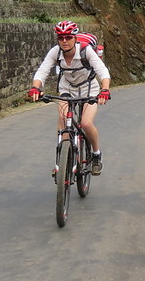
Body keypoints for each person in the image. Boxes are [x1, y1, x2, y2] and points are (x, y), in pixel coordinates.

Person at [28, 20, 111, 175]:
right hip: (67, 89)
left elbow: (102, 71)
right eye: (61, 38)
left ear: (75, 38)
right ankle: (62, 161)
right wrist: (35, 87)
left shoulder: (86, 51)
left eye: (68, 37)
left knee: (86, 123)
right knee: (63, 119)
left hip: (89, 89)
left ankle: (96, 155)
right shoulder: (55, 52)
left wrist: (105, 90)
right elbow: (42, 71)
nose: (64, 41)